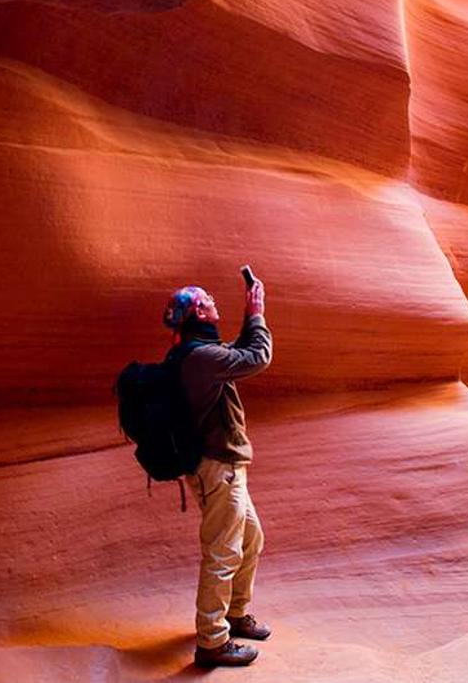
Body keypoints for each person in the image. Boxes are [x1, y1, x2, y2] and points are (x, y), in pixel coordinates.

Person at [164, 272, 273, 669]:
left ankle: (234, 613)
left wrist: (249, 317)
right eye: (208, 299)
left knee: (250, 539)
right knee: (223, 551)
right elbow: (257, 357)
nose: (214, 302)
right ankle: (212, 640)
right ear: (197, 311)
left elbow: (237, 354)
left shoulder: (196, 353)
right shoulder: (201, 358)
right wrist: (258, 314)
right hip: (218, 469)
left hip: (222, 467)